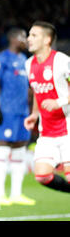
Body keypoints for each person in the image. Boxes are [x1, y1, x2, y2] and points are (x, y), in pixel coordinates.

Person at [0, 28, 36, 206]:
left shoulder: (24, 60)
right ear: (14, 39)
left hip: (22, 111)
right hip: (7, 110)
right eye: (23, 36)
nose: (26, 40)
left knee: (19, 149)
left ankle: (16, 194)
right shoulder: (3, 58)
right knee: (3, 146)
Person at [24, 21, 70, 194]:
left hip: (68, 129)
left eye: (34, 35)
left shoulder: (62, 61)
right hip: (47, 132)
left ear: (47, 40)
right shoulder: (29, 64)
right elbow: (37, 90)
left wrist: (60, 101)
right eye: (29, 35)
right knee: (42, 176)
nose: (29, 39)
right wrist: (35, 114)